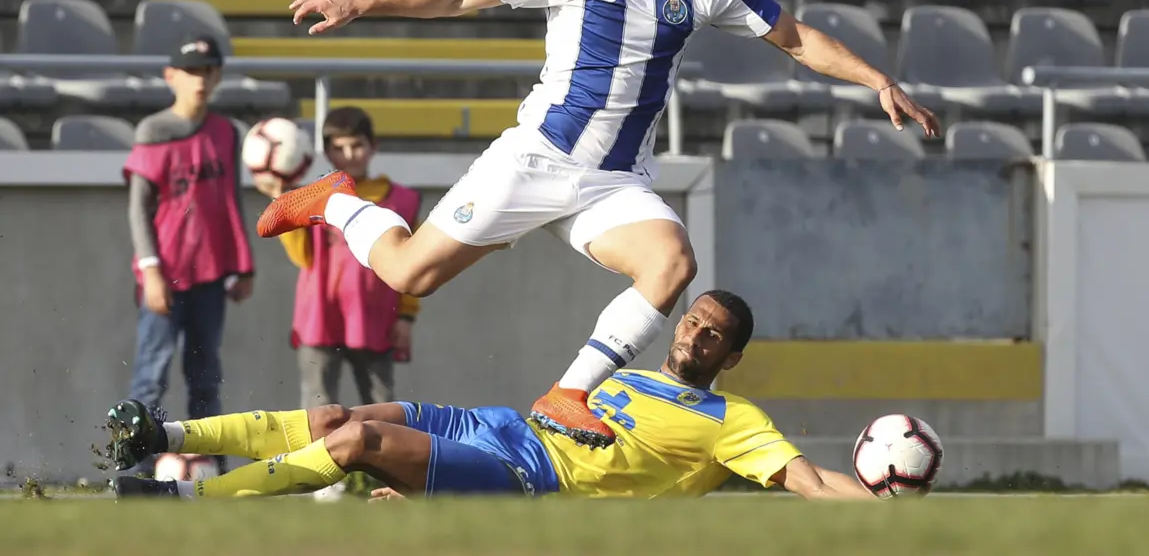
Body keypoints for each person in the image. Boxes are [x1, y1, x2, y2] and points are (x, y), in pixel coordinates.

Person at [256, 0, 942, 450]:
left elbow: (795, 38)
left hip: (614, 183)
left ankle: (568, 392)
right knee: (410, 274)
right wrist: (360, 2)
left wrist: (877, 80)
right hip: (534, 162)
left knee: (672, 263)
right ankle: (336, 199)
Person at [106, 290, 875, 501]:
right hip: (499, 425)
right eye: (693, 321)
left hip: (529, 474)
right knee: (337, 417)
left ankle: (183, 501)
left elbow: (807, 479)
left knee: (357, 445)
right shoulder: (633, 373)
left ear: (731, 356)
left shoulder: (734, 419)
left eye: (713, 336)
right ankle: (163, 435)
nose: (694, 335)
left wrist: (881, 505)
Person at [121, 34, 255, 474]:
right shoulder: (154, 130)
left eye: (208, 70)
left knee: (205, 378)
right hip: (165, 274)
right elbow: (139, 209)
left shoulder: (226, 132)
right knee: (151, 376)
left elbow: (232, 199)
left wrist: (242, 264)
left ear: (218, 76)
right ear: (171, 76)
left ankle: (210, 467)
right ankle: (134, 471)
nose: (200, 80)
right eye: (191, 71)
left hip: (211, 276)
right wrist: (151, 270)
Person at [255, 106, 422, 412]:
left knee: (382, 408)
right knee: (318, 409)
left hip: (375, 317)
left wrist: (406, 317)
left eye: (356, 145)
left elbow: (412, 259)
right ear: (326, 152)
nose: (349, 155)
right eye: (339, 148)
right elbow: (302, 256)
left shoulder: (402, 200)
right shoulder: (313, 197)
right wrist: (281, 202)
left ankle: (383, 448)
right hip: (320, 316)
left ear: (373, 146)